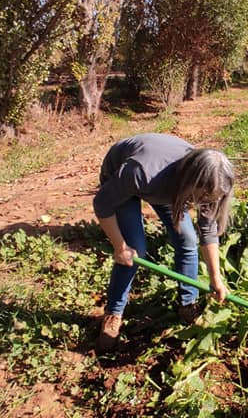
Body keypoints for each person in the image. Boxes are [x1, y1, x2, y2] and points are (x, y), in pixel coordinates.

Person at [92, 133, 232, 352]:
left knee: (187, 239)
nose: (206, 203)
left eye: (210, 199)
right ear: (192, 182)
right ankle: (114, 312)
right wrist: (120, 246)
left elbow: (207, 230)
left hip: (170, 187)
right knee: (135, 251)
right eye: (203, 197)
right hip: (122, 173)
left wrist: (216, 278)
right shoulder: (142, 172)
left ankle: (188, 303)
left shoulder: (210, 183)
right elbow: (102, 204)